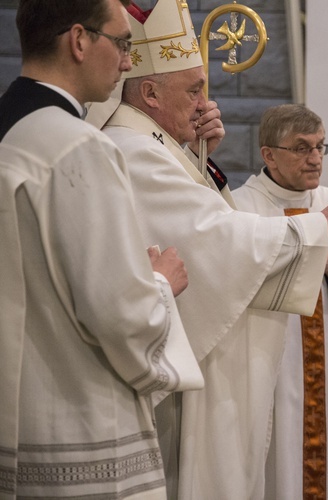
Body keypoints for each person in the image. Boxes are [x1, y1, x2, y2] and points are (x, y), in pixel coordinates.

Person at [90, 2, 328, 497]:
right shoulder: (137, 149)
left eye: (321, 147)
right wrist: (325, 225)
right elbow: (217, 241)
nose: (206, 104)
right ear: (149, 91)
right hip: (245, 378)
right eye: (193, 91)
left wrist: (192, 148)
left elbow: (209, 225)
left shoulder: (155, 142)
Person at [0, 0, 195, 498]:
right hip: (78, 424)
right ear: (79, 41)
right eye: (123, 43)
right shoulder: (78, 147)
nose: (129, 62)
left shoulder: (13, 133)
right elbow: (118, 314)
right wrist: (158, 285)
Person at [230, 104, 328, 499]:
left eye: (321, 146)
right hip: (271, 369)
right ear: (269, 154)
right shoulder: (238, 208)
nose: (315, 158)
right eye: (302, 148)